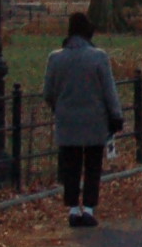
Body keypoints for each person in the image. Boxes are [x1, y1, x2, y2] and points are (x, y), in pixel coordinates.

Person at [43, 13, 123, 229]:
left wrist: (59, 107)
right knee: (92, 166)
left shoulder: (55, 58)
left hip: (67, 120)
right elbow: (109, 90)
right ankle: (88, 208)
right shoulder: (98, 57)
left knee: (71, 166)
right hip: (95, 119)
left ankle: (72, 209)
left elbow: (48, 92)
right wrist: (116, 115)